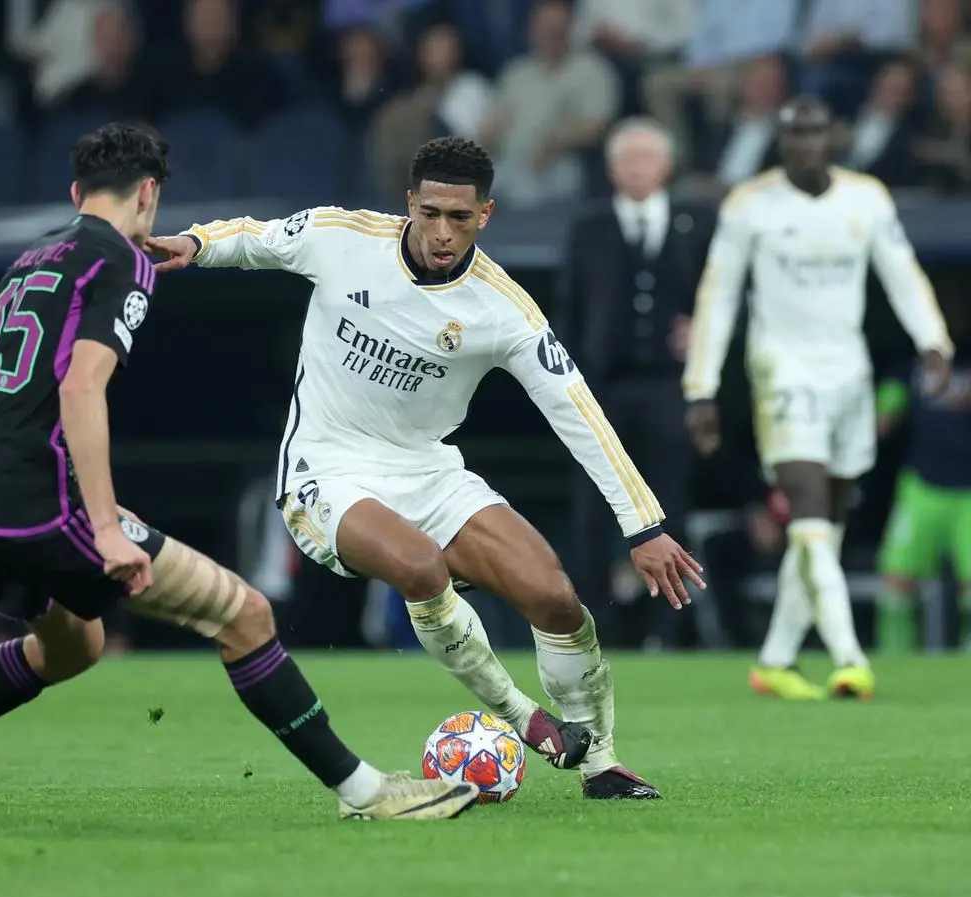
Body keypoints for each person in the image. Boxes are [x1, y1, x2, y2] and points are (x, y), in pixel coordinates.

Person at [0, 124, 478, 825]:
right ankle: (367, 791)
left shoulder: (35, 256)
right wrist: (106, 528)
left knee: (73, 646)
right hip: (37, 491)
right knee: (244, 613)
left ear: (76, 192)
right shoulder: (120, 258)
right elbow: (82, 387)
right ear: (149, 193)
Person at [147, 136, 706, 800]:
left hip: (428, 471)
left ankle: (601, 763)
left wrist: (643, 526)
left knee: (554, 595)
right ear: (410, 202)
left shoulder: (503, 307)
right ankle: (521, 712)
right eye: (432, 213)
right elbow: (254, 237)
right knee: (419, 565)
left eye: (460, 218)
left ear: (486, 215)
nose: (443, 233)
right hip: (324, 470)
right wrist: (195, 242)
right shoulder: (341, 237)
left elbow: (577, 411)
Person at [682, 96, 954, 700]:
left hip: (848, 377)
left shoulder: (867, 197)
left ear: (835, 136)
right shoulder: (750, 204)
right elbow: (718, 296)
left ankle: (775, 661)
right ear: (780, 142)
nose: (805, 145)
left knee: (823, 528)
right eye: (792, 135)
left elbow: (901, 271)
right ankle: (850, 658)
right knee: (806, 511)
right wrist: (701, 386)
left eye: (815, 133)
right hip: (783, 372)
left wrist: (933, 339)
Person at [558, 117, 713, 650]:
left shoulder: (698, 223)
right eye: (627, 159)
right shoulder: (588, 227)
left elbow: (724, 298)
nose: (637, 168)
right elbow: (568, 312)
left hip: (670, 387)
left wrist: (704, 330)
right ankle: (592, 628)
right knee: (593, 508)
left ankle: (668, 629)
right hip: (601, 388)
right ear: (611, 168)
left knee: (671, 504)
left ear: (666, 165)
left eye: (647, 157)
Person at [875, 295, 971, 653]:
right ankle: (895, 660)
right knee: (897, 581)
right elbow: (885, 409)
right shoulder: (911, 368)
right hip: (922, 486)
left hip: (969, 492)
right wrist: (879, 419)